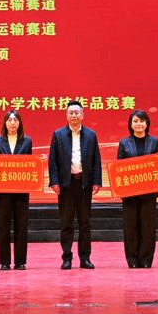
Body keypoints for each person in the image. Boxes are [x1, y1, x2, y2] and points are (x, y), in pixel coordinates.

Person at [48, 100, 102, 270]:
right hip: (66, 185)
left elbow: (96, 159)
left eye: (77, 112)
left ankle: (85, 258)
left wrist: (97, 181)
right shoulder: (58, 135)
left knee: (85, 222)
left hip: (84, 184)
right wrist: (54, 181)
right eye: (71, 113)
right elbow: (53, 161)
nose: (74, 116)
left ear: (82, 115)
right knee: (66, 223)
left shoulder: (91, 135)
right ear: (66, 115)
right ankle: (67, 258)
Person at [116, 110, 158, 269]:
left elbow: (157, 166)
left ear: (147, 123)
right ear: (131, 124)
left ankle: (146, 259)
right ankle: (133, 259)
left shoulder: (154, 142)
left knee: (148, 227)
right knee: (131, 227)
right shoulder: (124, 143)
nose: (139, 124)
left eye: (142, 121)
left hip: (149, 192)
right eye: (135, 121)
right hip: (130, 193)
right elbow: (119, 168)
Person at [0, 110, 34, 271]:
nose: (13, 123)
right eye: (10, 120)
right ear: (5, 123)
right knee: (3, 226)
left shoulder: (27, 141)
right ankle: (4, 261)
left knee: (21, 226)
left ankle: (20, 261)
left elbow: (30, 164)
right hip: (3, 191)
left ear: (20, 123)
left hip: (21, 190)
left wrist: (38, 162)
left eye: (15, 120)